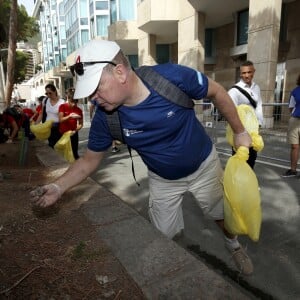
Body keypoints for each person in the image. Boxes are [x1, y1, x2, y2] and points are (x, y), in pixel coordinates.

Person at [30, 40, 254, 275]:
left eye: (96, 88)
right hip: (163, 180)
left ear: (120, 72)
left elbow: (217, 91)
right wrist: (58, 186)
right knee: (163, 236)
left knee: (223, 217)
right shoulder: (106, 119)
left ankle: (233, 245)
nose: (93, 99)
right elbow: (88, 161)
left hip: (204, 165)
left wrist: (240, 131)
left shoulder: (170, 77)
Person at [228, 61, 264, 169]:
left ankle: (249, 184)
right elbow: (231, 112)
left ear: (254, 71)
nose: (247, 75)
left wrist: (259, 125)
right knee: (240, 160)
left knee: (252, 159)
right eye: (244, 73)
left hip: (254, 131)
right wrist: (237, 132)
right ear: (240, 74)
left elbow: (259, 106)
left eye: (249, 72)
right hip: (241, 131)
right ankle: (237, 185)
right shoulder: (234, 91)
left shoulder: (256, 87)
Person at [35, 83, 65, 148]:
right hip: (48, 128)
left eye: (50, 93)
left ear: (55, 91)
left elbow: (64, 117)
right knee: (51, 145)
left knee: (58, 146)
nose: (48, 95)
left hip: (58, 128)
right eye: (46, 93)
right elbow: (41, 114)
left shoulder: (62, 102)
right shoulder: (45, 100)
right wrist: (36, 125)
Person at [282, 74, 300, 177]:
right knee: (294, 146)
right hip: (295, 120)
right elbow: (291, 107)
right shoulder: (295, 91)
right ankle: (293, 170)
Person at [58, 87, 83, 160]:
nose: (73, 104)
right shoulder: (62, 107)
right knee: (63, 155)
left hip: (73, 133)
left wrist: (75, 130)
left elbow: (81, 123)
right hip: (63, 133)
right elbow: (60, 120)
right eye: (72, 102)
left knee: (75, 154)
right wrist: (69, 116)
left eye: (75, 102)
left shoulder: (79, 110)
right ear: (68, 99)